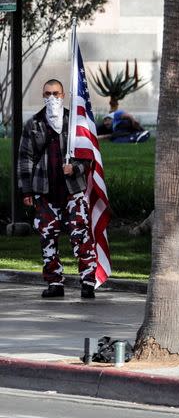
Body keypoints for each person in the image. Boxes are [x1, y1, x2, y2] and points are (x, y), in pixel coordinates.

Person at [18, 79, 97, 299]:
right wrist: (26, 192)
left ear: (63, 95)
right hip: (44, 194)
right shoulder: (33, 124)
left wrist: (76, 168)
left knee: (81, 236)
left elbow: (88, 157)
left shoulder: (75, 123)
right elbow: (25, 160)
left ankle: (88, 281)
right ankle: (55, 283)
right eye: (47, 93)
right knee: (47, 238)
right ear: (42, 95)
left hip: (73, 192)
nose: (52, 97)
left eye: (56, 93)